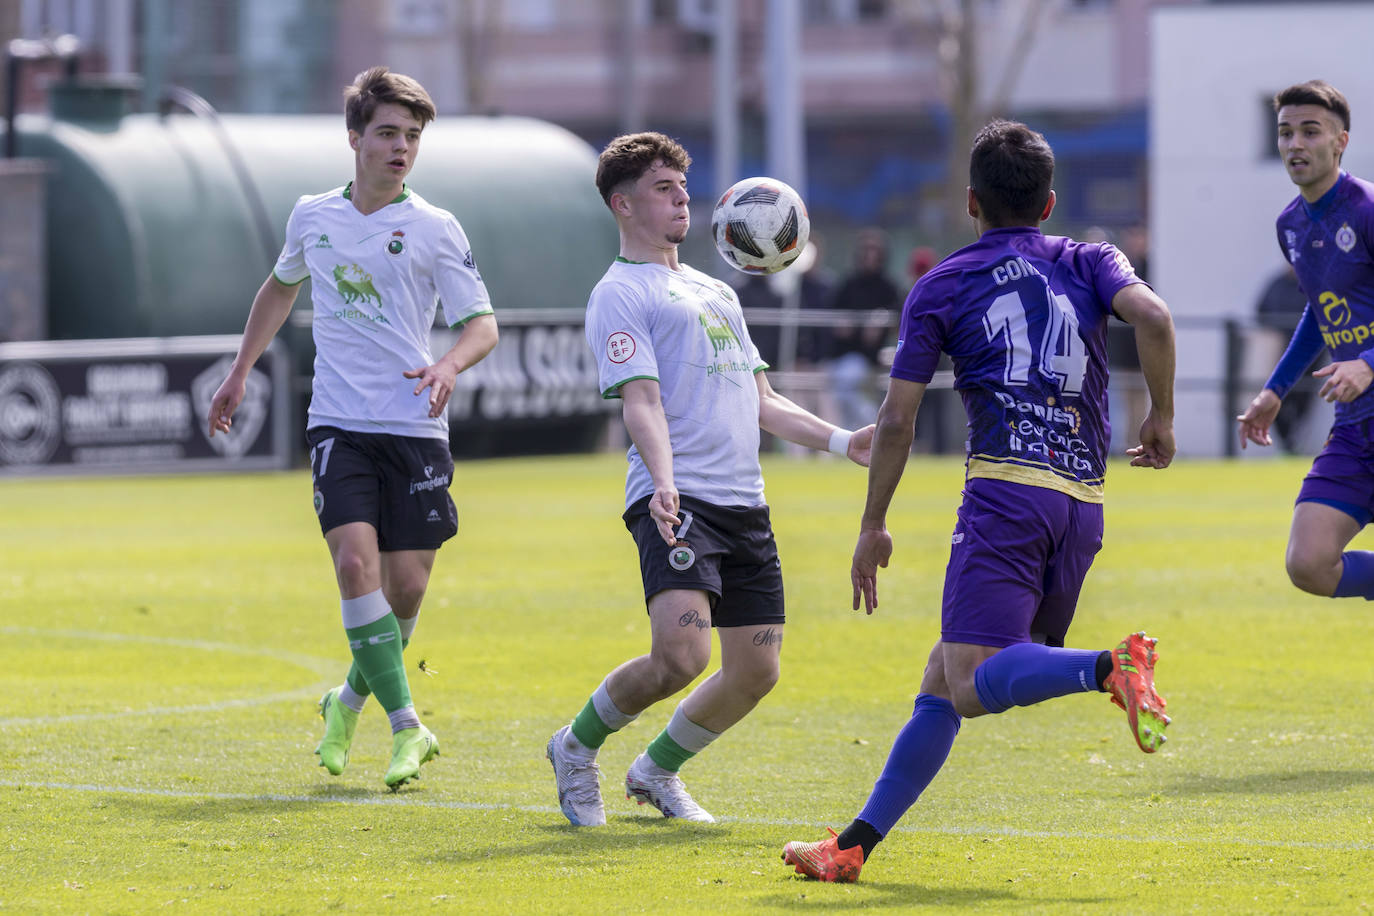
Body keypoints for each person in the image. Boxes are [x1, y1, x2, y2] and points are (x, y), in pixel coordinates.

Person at [780, 119, 1177, 882]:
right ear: (1050, 202)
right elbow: (1154, 317)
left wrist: (872, 524)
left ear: (971, 202)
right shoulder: (1091, 257)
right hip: (1081, 503)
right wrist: (1160, 416)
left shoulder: (944, 283)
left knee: (969, 679)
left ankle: (1110, 667)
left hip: (1005, 493)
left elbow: (897, 417)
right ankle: (853, 847)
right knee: (946, 674)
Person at [546, 131, 874, 826]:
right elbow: (641, 401)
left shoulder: (716, 290)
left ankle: (656, 771)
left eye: (683, 189)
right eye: (664, 190)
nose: (681, 201)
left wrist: (847, 442)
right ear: (623, 204)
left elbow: (765, 403)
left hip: (743, 504)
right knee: (682, 655)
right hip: (678, 499)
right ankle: (576, 748)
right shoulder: (618, 294)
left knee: (757, 671)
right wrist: (662, 483)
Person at [207, 66, 499, 790]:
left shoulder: (436, 228)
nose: (402, 148)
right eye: (389, 134)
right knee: (352, 569)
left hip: (417, 429)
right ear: (355, 138)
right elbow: (280, 288)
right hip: (339, 422)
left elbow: (483, 325)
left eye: (413, 137)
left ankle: (345, 704)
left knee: (403, 591)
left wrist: (449, 366)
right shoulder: (313, 216)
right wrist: (241, 370)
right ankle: (408, 728)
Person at [1237, 79, 1374, 601]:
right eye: (1286, 132)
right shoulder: (1290, 225)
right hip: (1356, 428)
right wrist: (1274, 390)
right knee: (1308, 563)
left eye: (1310, 132)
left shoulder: (1365, 209)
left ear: (1340, 141)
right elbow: (1318, 313)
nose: (1295, 144)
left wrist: (1368, 363)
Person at [825, 228, 903, 430]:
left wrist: (882, 319)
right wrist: (841, 322)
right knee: (836, 386)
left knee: (846, 382)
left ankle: (873, 427)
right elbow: (832, 315)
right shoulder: (849, 284)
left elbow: (898, 315)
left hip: (871, 357)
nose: (870, 256)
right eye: (866, 251)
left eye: (874, 251)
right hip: (842, 355)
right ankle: (861, 432)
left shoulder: (888, 287)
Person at [1253, 264, 1321, 452]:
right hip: (1279, 351)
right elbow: (1261, 311)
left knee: (1302, 399)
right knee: (1277, 398)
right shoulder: (1277, 284)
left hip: (1311, 357)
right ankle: (1287, 441)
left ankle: (1293, 438)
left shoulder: (1313, 283)